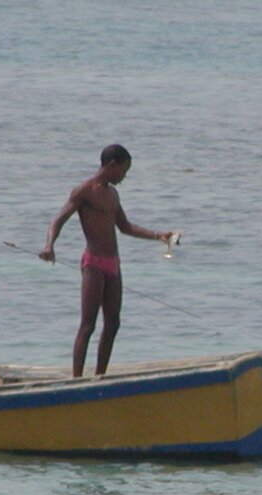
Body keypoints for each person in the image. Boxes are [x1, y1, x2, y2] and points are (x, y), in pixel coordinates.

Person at [40, 143, 178, 377]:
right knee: (88, 325)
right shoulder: (84, 191)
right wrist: (49, 246)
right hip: (93, 264)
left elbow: (125, 227)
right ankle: (76, 379)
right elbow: (58, 220)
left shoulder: (113, 194)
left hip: (113, 266)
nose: (124, 177)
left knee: (113, 324)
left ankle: (100, 376)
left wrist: (159, 236)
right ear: (112, 165)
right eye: (124, 171)